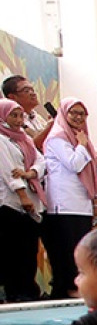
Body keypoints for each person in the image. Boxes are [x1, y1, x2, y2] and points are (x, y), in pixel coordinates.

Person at [43, 98, 97, 298]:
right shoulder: (57, 137)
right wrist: (82, 145)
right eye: (73, 113)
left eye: (81, 114)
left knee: (80, 246)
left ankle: (78, 285)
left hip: (81, 201)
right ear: (64, 114)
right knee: (66, 248)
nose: (78, 117)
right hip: (64, 202)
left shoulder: (80, 137)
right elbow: (74, 164)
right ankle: (68, 286)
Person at [0, 98, 46, 301]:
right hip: (11, 202)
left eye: (21, 116)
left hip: (30, 202)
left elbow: (40, 160)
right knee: (12, 250)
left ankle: (28, 290)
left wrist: (30, 173)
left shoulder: (24, 139)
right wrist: (22, 195)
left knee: (29, 249)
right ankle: (15, 292)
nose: (19, 120)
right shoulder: (1, 139)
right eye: (14, 116)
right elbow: (8, 170)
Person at [2, 75, 52, 151]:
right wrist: (49, 126)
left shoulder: (36, 116)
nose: (33, 94)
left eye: (32, 90)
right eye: (26, 91)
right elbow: (29, 146)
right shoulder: (11, 121)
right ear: (12, 97)